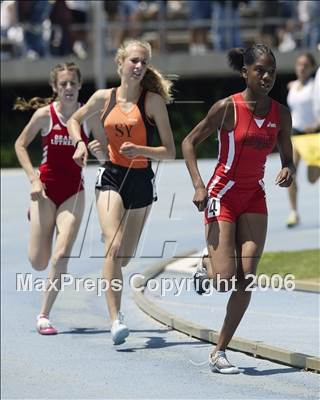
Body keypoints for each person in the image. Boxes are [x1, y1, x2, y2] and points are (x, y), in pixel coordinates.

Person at [182, 44, 295, 374]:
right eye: (260, 70)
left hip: (254, 197)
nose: (267, 77)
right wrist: (199, 185)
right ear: (245, 72)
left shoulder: (280, 114)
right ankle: (208, 265)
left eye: (272, 71)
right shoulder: (226, 108)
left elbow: (287, 156)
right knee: (223, 280)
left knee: (247, 279)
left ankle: (219, 351)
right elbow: (189, 142)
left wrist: (287, 169)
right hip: (223, 193)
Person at [67, 39, 176, 345]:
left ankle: (116, 298)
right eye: (133, 61)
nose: (139, 66)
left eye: (143, 62)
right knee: (112, 247)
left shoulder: (152, 102)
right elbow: (74, 120)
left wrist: (140, 149)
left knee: (124, 257)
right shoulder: (104, 98)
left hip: (141, 180)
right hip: (112, 176)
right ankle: (116, 318)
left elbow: (170, 151)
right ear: (121, 64)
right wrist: (80, 143)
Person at [14, 62, 107, 335]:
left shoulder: (90, 118)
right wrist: (33, 179)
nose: (68, 88)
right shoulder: (45, 115)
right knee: (38, 262)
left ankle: (44, 315)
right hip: (44, 191)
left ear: (80, 86)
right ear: (55, 88)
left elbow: (105, 158)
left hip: (73, 192)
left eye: (72, 83)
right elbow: (20, 144)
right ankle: (36, 214)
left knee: (62, 252)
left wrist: (99, 151)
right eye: (63, 84)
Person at [286, 53, 319, 227]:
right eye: (299, 64)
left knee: (312, 179)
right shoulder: (292, 86)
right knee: (289, 172)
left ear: (312, 68)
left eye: (306, 65)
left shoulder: (316, 87)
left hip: (313, 135)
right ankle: (293, 212)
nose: (301, 67)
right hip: (296, 134)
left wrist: (317, 123)